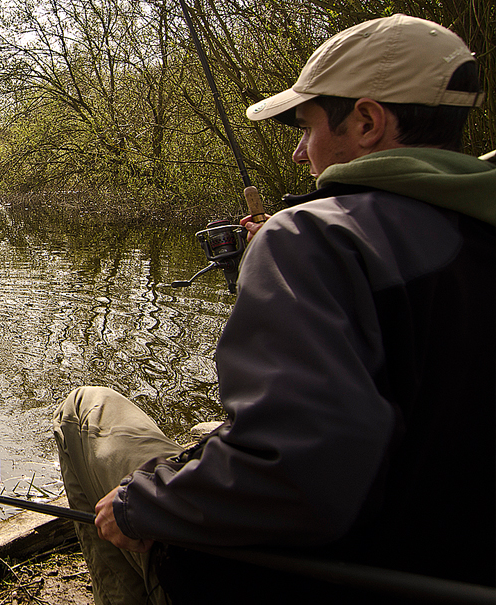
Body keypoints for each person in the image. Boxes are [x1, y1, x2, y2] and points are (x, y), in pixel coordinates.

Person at [52, 13, 495, 604]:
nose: (297, 153)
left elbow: (301, 474)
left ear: (367, 120)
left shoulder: (315, 237)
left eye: (307, 126)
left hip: (310, 575)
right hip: (452, 561)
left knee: (88, 407)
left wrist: (140, 505)